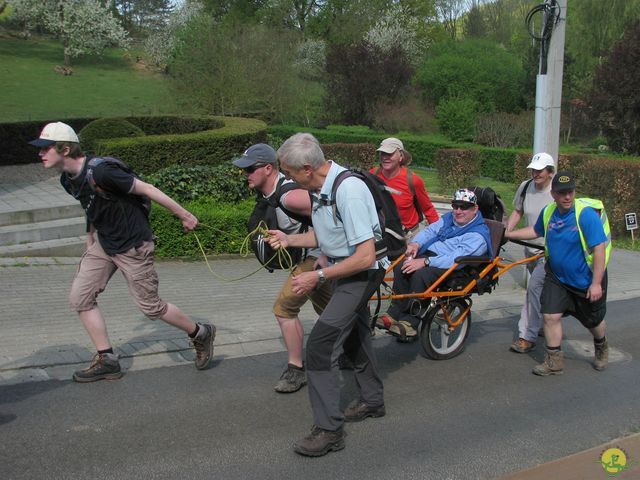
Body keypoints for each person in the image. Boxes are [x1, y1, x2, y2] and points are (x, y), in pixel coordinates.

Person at [29, 122, 215, 382]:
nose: (40, 153)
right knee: (80, 298)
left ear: (66, 148)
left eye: (46, 148)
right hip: (105, 244)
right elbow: (92, 204)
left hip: (133, 245)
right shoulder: (67, 179)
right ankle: (108, 360)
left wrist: (183, 215)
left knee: (151, 308)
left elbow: (147, 188)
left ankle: (200, 332)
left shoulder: (103, 172)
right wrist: (89, 235)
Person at [267, 133, 386, 457]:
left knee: (320, 346)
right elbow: (326, 233)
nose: (287, 180)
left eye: (289, 174)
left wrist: (316, 276)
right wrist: (289, 240)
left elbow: (365, 256)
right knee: (354, 335)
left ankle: (329, 430)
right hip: (345, 270)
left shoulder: (348, 191)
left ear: (306, 168)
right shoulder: (320, 188)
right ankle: (373, 401)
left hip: (361, 273)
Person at [232, 143, 332, 394]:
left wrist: (326, 255)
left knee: (284, 308)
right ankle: (355, 345)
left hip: (317, 257)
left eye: (250, 169)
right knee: (332, 312)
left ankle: (296, 370)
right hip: (310, 257)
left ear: (268, 168)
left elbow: (332, 217)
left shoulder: (289, 195)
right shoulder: (270, 195)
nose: (246, 174)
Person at [505, 172, 610, 376]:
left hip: (585, 279)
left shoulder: (585, 215)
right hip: (556, 276)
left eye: (570, 192)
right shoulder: (549, 212)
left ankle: (601, 344)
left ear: (574, 192)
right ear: (553, 194)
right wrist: (509, 234)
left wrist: (596, 283)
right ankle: (554, 362)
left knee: (592, 321)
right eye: (562, 193)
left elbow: (599, 249)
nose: (567, 197)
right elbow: (536, 231)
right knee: (550, 316)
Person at [381, 189, 493, 341]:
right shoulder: (449, 218)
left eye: (464, 207)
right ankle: (394, 313)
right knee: (402, 263)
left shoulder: (478, 235)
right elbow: (430, 231)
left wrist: (425, 262)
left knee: (421, 275)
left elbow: (455, 258)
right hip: (431, 256)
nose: (458, 211)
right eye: (455, 206)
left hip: (456, 267)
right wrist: (415, 243)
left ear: (475, 209)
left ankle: (409, 322)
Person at [505, 152, 555, 353]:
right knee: (541, 291)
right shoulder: (525, 187)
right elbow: (518, 211)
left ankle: (527, 335)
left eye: (540, 170)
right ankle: (547, 322)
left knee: (533, 289)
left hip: (548, 251)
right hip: (530, 248)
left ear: (551, 172)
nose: (535, 174)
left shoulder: (557, 192)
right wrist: (507, 232)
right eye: (533, 170)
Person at [371, 137, 439, 237]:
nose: (385, 157)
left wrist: (438, 234)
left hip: (407, 237)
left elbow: (428, 209)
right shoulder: (372, 175)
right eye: (382, 153)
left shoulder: (413, 180)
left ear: (401, 156)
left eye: (389, 154)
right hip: (380, 235)